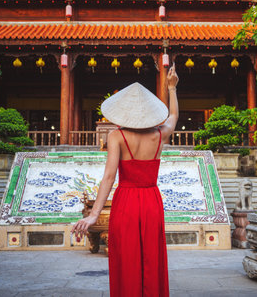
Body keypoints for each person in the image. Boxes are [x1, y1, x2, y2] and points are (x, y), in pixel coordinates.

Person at [71, 64, 179, 297]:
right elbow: (173, 116)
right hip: (151, 200)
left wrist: (93, 215)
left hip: (126, 202)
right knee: (152, 256)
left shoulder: (116, 136)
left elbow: (109, 177)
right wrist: (172, 89)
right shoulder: (160, 135)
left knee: (127, 257)